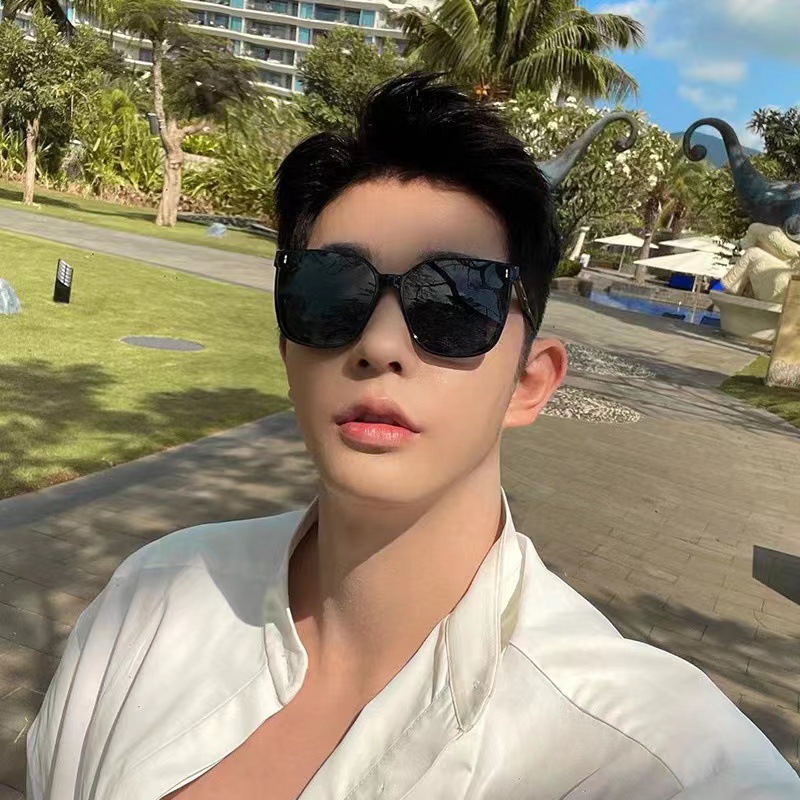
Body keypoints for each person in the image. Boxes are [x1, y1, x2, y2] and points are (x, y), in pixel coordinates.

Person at [26, 72, 799, 800]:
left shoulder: (661, 763)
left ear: (529, 383)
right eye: (331, 291)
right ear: (288, 353)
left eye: (456, 301)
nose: (379, 344)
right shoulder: (150, 600)